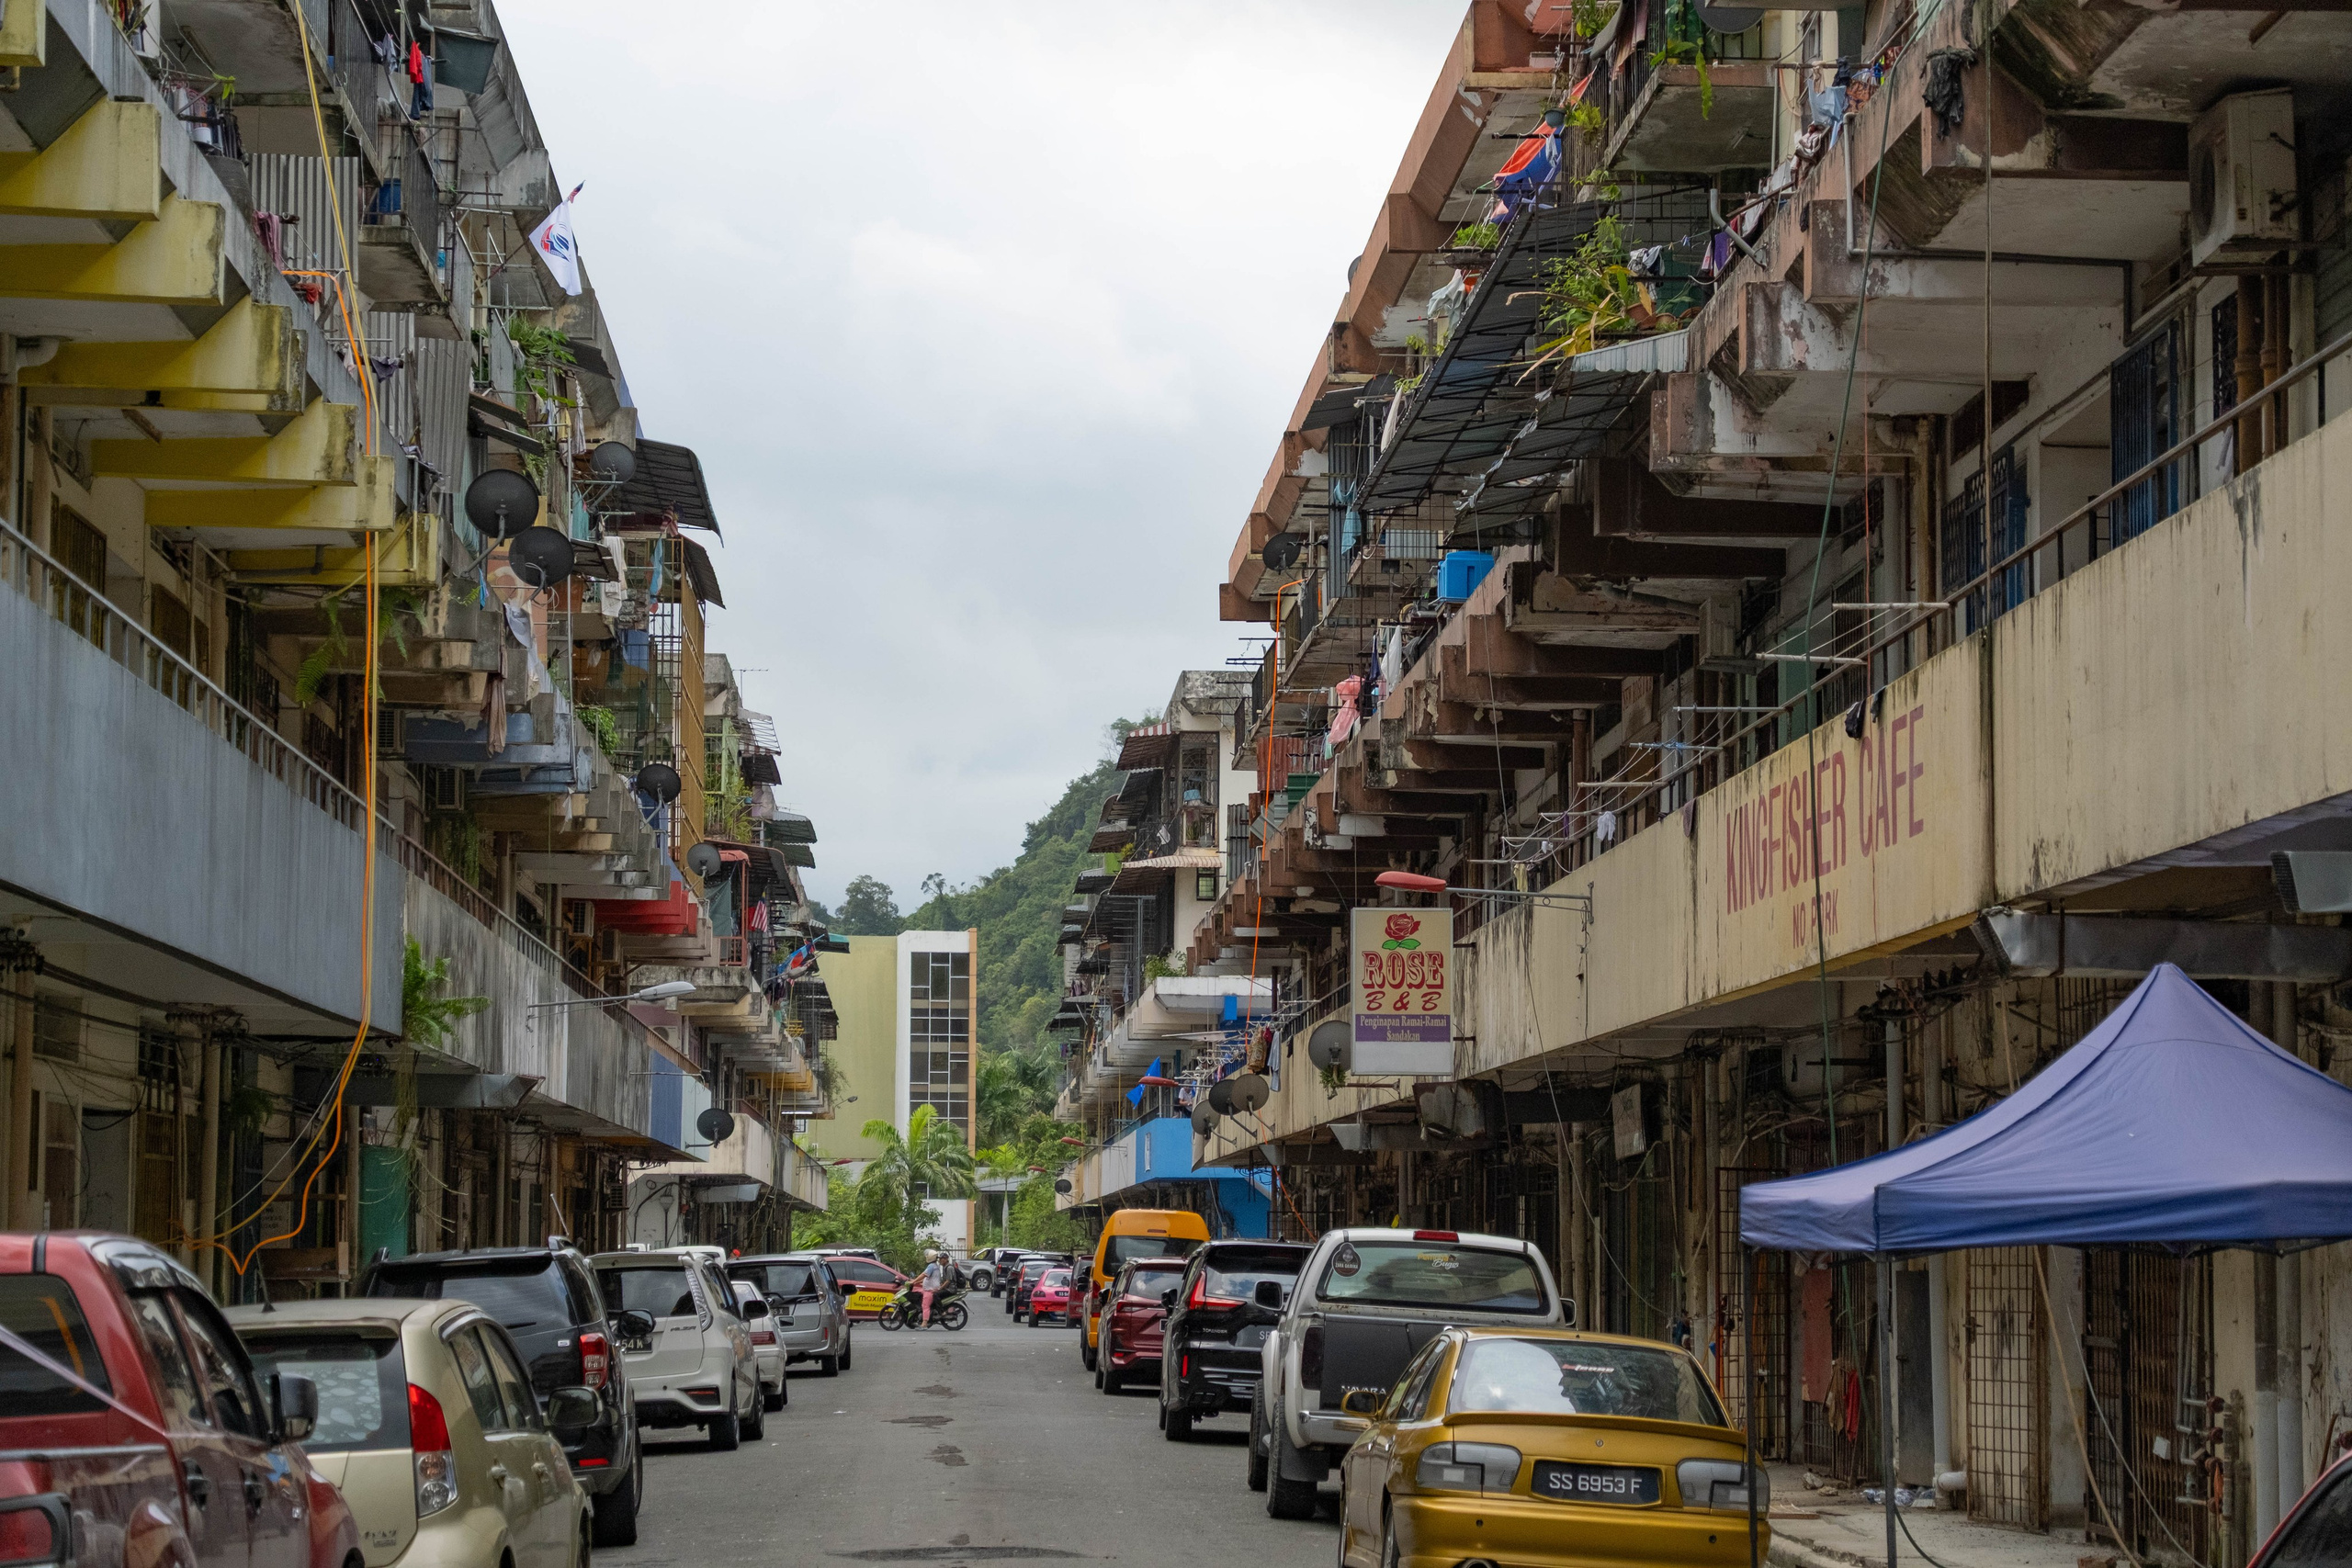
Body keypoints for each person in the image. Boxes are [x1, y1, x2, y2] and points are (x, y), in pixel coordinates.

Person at [918, 1251, 944, 1326]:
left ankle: (924, 1323)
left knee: (925, 1306)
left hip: (931, 1290)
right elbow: (927, 1278)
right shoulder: (935, 1266)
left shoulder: (931, 1266)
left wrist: (914, 1281)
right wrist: (914, 1281)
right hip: (930, 1288)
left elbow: (924, 1275)